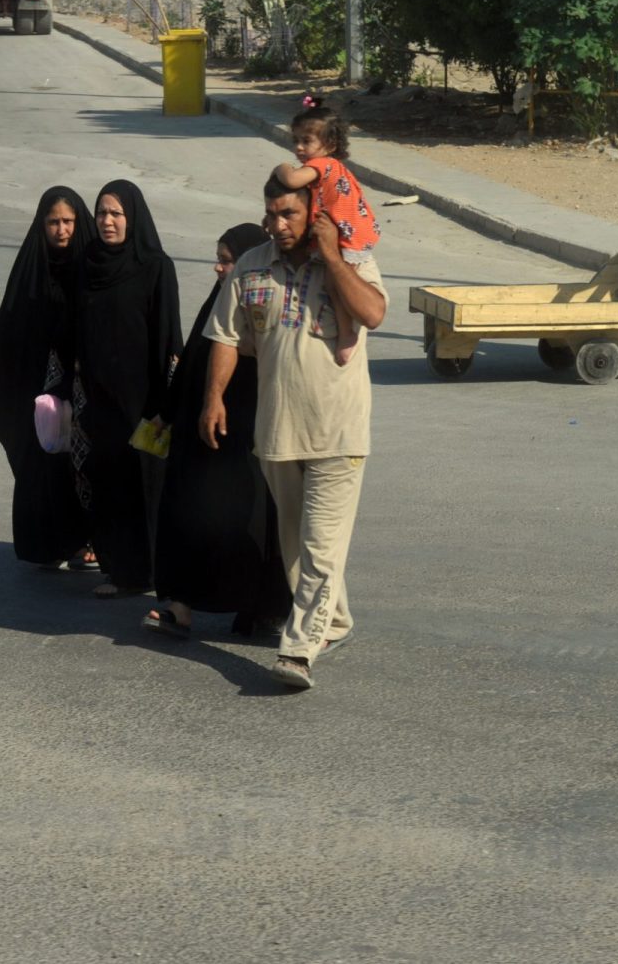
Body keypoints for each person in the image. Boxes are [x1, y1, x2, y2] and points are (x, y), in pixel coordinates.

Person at [200, 175, 388, 691]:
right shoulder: (251, 265)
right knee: (298, 544)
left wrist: (331, 257)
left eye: (289, 214)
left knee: (322, 546)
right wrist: (213, 398)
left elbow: (373, 312)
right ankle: (338, 621)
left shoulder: (352, 260)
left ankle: (299, 649)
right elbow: (226, 336)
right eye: (271, 213)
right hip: (277, 433)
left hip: (339, 432)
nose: (278, 225)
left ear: (316, 213)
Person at [143, 223, 290, 641]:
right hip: (199, 440)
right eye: (220, 259)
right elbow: (192, 362)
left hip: (245, 442)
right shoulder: (217, 303)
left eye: (227, 261)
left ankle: (259, 608)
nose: (218, 269)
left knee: (249, 526)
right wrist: (168, 413)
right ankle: (180, 604)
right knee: (189, 519)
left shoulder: (261, 305)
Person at [0, 188, 95, 564]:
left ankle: (84, 540)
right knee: (37, 464)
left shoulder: (92, 268)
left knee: (78, 465)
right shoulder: (32, 267)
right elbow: (7, 319)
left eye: (68, 222)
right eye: (53, 222)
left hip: (78, 389)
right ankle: (47, 545)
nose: (61, 230)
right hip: (32, 388)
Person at [71, 181, 180, 598]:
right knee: (110, 480)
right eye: (101, 213)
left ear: (132, 217)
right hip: (100, 397)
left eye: (116, 213)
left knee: (145, 485)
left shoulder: (155, 266)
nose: (107, 221)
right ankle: (120, 570)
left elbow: (170, 338)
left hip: (144, 399)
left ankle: (151, 572)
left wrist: (165, 404)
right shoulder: (89, 264)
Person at [270, 96, 380, 366]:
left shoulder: (322, 165)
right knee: (332, 282)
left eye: (306, 141)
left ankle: (346, 334)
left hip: (346, 237)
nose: (298, 148)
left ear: (329, 144)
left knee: (335, 283)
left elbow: (291, 179)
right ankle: (344, 332)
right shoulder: (331, 166)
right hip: (349, 232)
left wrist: (281, 167)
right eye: (295, 140)